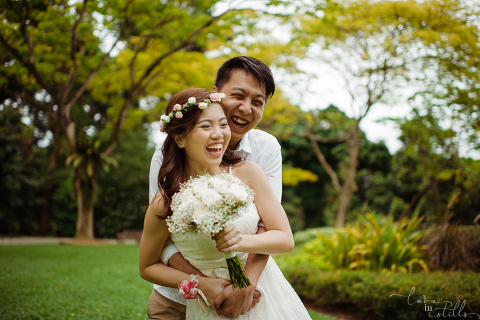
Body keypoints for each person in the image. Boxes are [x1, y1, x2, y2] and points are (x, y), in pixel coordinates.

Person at [139, 88, 312, 319]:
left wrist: (240, 241)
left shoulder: (249, 173)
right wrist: (199, 283)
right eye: (205, 126)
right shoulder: (166, 200)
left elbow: (285, 240)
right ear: (179, 138)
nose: (219, 134)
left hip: (262, 296)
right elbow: (147, 267)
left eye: (223, 124)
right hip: (206, 306)